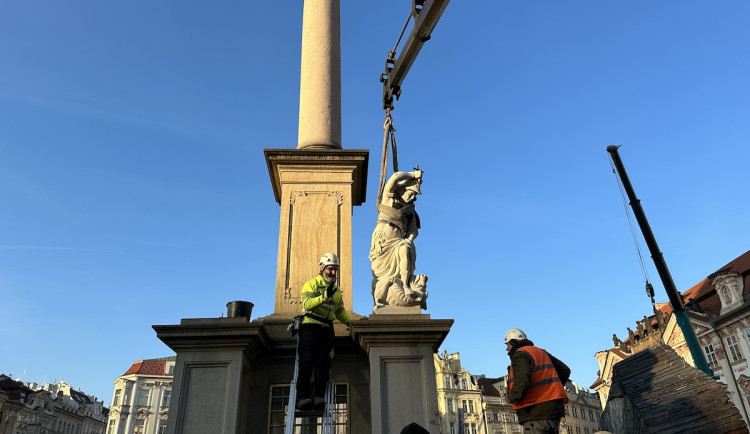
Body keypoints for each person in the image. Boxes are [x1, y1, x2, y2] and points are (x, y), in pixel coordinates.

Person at [296, 252, 351, 412]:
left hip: (327, 328)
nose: (333, 273)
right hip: (310, 326)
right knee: (307, 360)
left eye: (335, 269)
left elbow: (340, 311)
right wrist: (323, 296)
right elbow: (306, 304)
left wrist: (351, 323)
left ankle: (319, 396)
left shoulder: (337, 291)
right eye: (330, 269)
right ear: (322, 268)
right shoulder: (311, 284)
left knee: (324, 362)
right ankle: (302, 397)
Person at [505, 328, 570, 434]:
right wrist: (551, 389)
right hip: (554, 411)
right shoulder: (541, 352)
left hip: (535, 411)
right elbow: (565, 370)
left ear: (514, 343)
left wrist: (511, 397)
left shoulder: (519, 354)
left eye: (507, 345)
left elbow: (522, 380)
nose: (507, 349)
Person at [369, 168, 422, 296]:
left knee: (404, 249)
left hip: (399, 242)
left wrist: (408, 240)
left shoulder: (410, 211)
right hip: (383, 242)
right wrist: (413, 175)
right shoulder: (388, 197)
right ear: (403, 189)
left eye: (415, 195)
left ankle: (405, 286)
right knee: (379, 274)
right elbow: (395, 177)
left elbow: (413, 229)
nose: (413, 197)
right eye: (411, 193)